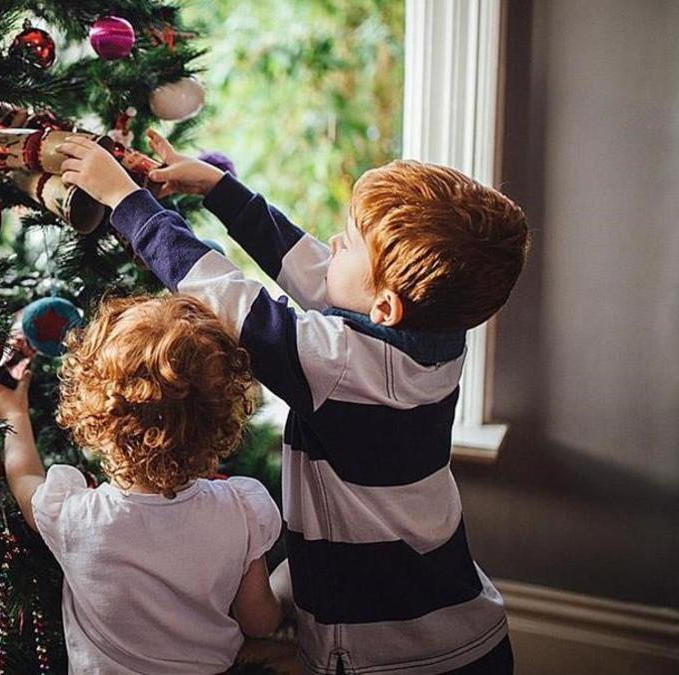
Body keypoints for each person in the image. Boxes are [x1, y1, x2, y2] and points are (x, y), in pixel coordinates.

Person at [55, 130, 528, 674]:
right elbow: (313, 270)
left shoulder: (342, 367)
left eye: (347, 243)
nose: (331, 242)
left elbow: (227, 297)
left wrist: (127, 203)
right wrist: (220, 190)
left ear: (386, 306)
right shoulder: (432, 341)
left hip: (396, 656)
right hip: (465, 630)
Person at [0, 293, 284, 674]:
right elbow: (259, 622)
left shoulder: (76, 516)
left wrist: (12, 411)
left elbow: (24, 476)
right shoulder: (241, 510)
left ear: (97, 418)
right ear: (219, 418)